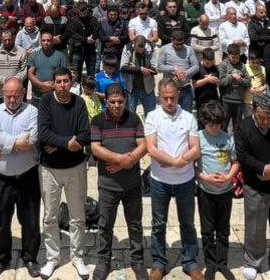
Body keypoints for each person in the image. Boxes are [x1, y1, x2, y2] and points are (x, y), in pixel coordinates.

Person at [36, 66, 90, 278]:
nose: (62, 85)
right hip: (49, 169)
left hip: (75, 168)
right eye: (58, 81)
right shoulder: (46, 102)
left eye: (65, 81)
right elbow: (43, 134)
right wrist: (68, 142)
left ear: (72, 81)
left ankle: (77, 257)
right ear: (53, 83)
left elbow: (85, 134)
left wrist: (58, 143)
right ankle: (53, 258)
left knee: (77, 217)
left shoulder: (79, 102)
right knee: (49, 217)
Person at [90, 83, 147, 280]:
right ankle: (103, 261)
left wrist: (125, 162)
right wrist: (121, 159)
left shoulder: (134, 118)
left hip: (132, 184)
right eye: (112, 102)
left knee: (135, 224)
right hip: (108, 185)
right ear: (106, 101)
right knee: (105, 225)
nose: (116, 105)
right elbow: (95, 149)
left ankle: (137, 261)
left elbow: (144, 145)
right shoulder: (97, 121)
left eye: (120, 101)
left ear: (125, 101)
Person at [0, 77, 41, 278]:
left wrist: (4, 147)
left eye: (16, 95)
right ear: (2, 93)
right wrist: (17, 144)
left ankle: (30, 257)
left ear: (23, 92)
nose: (11, 100)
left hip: (28, 176)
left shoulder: (32, 111)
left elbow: (33, 138)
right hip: (1, 177)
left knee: (31, 221)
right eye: (8, 96)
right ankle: (1, 258)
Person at [144, 80, 200, 280]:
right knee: (158, 223)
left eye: (173, 98)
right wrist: (176, 161)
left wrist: (178, 161)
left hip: (185, 180)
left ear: (178, 96)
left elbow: (195, 148)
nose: (169, 101)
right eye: (165, 98)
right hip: (160, 179)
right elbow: (151, 148)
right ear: (159, 96)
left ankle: (190, 261)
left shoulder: (188, 117)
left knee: (187, 223)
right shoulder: (152, 116)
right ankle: (158, 262)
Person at [235, 94, 270, 280]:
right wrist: (262, 169)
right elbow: (243, 156)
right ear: (253, 111)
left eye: (269, 117)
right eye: (262, 117)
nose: (266, 121)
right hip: (255, 187)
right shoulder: (243, 127)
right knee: (255, 227)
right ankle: (253, 262)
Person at [194, 102, 236, 280]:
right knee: (207, 230)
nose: (215, 127)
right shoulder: (197, 138)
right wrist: (204, 177)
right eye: (212, 124)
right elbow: (192, 166)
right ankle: (210, 263)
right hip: (206, 191)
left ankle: (222, 263)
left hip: (225, 191)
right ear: (204, 122)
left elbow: (236, 163)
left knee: (223, 229)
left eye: (218, 124)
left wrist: (228, 177)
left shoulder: (227, 138)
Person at [121, 36, 158, 116]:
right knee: (130, 115)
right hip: (131, 88)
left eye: (142, 50)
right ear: (134, 44)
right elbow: (123, 68)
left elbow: (155, 69)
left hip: (148, 88)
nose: (140, 52)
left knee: (151, 115)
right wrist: (140, 69)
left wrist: (133, 68)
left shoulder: (152, 48)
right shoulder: (127, 47)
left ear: (145, 45)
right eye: (138, 51)